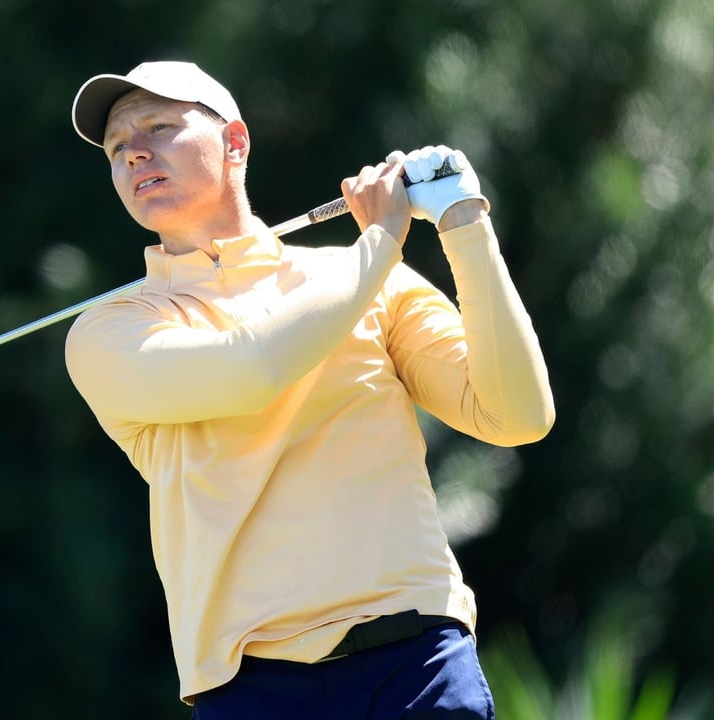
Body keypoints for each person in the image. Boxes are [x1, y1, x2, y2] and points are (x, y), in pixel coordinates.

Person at [64, 60, 554, 719]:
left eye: (159, 127)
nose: (135, 154)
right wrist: (382, 238)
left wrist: (464, 224)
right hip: (252, 687)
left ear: (234, 143)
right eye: (119, 147)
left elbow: (515, 414)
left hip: (413, 659)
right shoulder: (110, 331)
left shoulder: (369, 281)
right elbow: (251, 369)